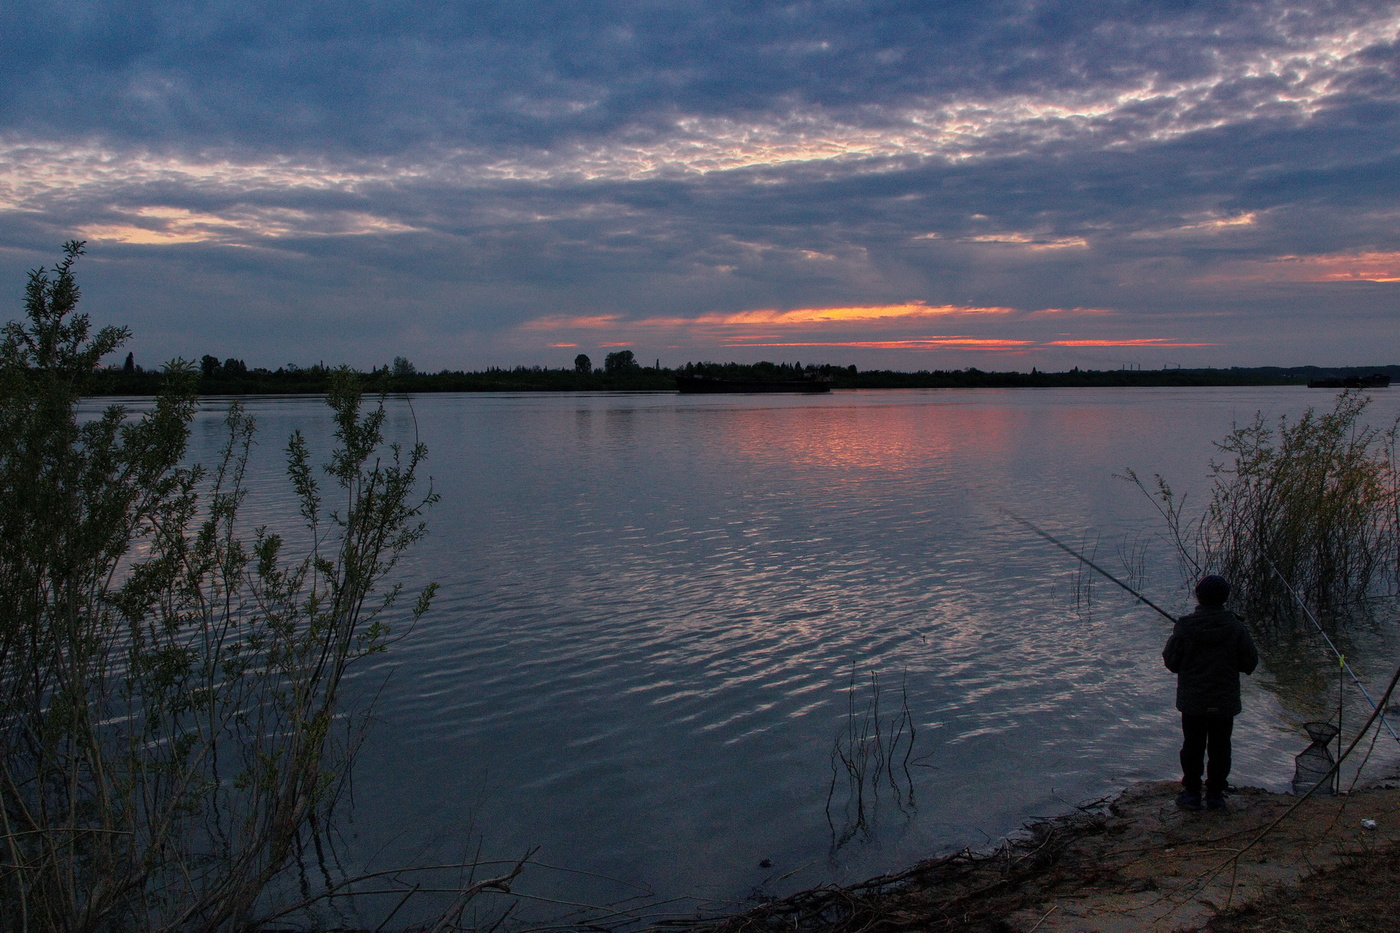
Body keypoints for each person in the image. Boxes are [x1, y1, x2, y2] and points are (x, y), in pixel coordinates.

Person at [1163, 574, 1258, 811]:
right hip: (1223, 701)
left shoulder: (1184, 626)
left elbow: (1171, 662)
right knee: (1221, 747)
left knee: (1192, 746)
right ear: (1225, 598)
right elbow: (1250, 664)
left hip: (1193, 701)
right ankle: (1215, 795)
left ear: (1198, 596)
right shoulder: (1236, 627)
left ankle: (1192, 794)